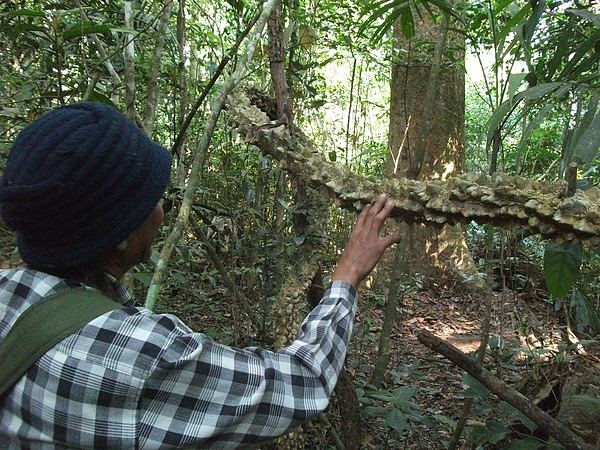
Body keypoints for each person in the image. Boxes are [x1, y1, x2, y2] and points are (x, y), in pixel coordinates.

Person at [0, 102, 400, 449]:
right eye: (154, 199)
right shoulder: (142, 355)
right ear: (119, 237)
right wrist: (346, 276)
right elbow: (301, 384)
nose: (162, 209)